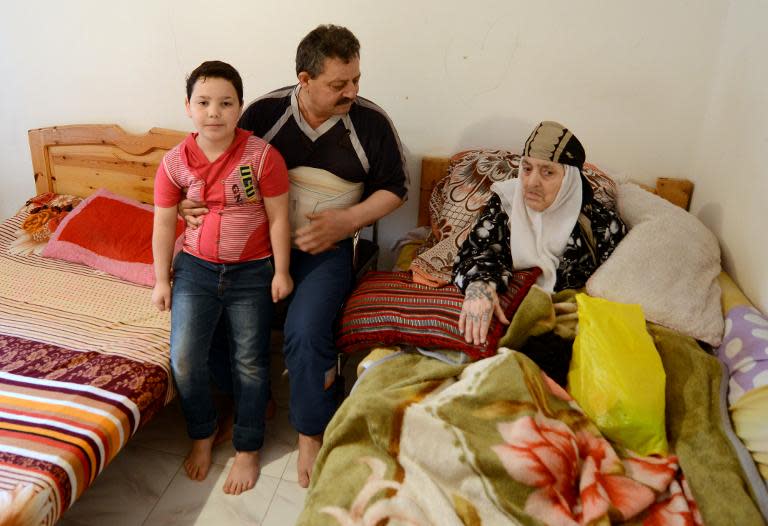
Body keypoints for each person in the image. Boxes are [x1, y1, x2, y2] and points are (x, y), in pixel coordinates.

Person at [180, 25, 409, 487]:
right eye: (339, 84)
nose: (352, 91)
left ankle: (310, 430)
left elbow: (396, 190)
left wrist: (349, 220)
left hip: (326, 248)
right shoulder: (265, 112)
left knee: (306, 330)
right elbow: (215, 163)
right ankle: (252, 399)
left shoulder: (371, 123)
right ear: (304, 80)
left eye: (356, 79)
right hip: (259, 244)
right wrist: (190, 203)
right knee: (217, 316)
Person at [151, 60, 292, 495]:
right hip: (194, 269)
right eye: (204, 102)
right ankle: (202, 433)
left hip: (252, 271)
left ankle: (248, 446)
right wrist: (162, 280)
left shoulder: (263, 156)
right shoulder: (174, 162)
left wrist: (281, 271)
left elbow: (279, 219)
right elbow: (162, 223)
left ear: (240, 107)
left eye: (226, 103)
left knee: (249, 360)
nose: (215, 112)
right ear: (189, 108)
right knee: (185, 359)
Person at [453, 121, 626, 346]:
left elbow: (616, 286)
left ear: (569, 180)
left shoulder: (599, 226)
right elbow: (479, 251)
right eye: (527, 169)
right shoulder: (505, 204)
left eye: (548, 172)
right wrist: (480, 285)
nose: (531, 183)